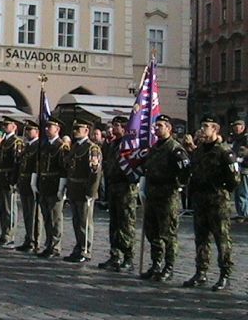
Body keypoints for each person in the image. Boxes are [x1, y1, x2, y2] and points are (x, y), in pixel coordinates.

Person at [183, 116, 240, 291]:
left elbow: (234, 179)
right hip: (201, 201)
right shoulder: (199, 150)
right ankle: (201, 272)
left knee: (221, 240)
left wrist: (220, 190)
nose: (203, 129)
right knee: (201, 239)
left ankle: (225, 274)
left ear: (215, 129)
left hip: (217, 203)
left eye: (207, 126)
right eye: (202, 126)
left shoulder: (224, 152)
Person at [139, 114, 191, 281]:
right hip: (153, 196)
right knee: (152, 232)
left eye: (160, 125)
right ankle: (156, 264)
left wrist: (178, 185)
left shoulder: (175, 148)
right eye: (156, 125)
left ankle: (169, 266)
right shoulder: (155, 148)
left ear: (169, 128)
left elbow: (185, 171)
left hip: (167, 197)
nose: (156, 128)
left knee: (167, 234)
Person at [98, 116, 138, 272]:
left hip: (126, 188)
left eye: (116, 126)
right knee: (114, 223)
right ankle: (115, 255)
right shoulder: (112, 144)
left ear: (124, 128)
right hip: (113, 186)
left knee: (126, 224)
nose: (112, 129)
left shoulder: (129, 145)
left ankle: (128, 257)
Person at [63, 119, 102, 263]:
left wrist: (91, 192)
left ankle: (86, 250)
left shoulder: (92, 148)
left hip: (84, 189)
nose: (75, 131)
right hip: (74, 189)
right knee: (76, 221)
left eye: (78, 129)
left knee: (85, 222)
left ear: (86, 131)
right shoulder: (75, 147)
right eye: (74, 129)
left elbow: (95, 172)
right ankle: (79, 246)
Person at [35, 117, 68, 258]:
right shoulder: (44, 145)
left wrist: (62, 189)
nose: (47, 129)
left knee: (55, 218)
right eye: (46, 127)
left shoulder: (62, 146)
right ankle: (48, 243)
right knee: (47, 217)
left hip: (55, 185)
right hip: (44, 185)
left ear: (58, 129)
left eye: (50, 127)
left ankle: (55, 246)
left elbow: (64, 169)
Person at [0, 118, 24, 248]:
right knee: (2, 208)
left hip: (9, 178)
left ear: (14, 126)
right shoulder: (5, 141)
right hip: (1, 177)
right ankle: (4, 233)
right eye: (3, 124)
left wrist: (14, 180)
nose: (4, 126)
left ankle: (10, 235)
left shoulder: (16, 142)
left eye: (7, 124)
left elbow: (17, 162)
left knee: (10, 209)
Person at [15, 120, 40, 253]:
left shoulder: (38, 146)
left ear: (36, 131)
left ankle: (34, 240)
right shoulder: (27, 146)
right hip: (24, 183)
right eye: (26, 130)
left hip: (32, 183)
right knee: (26, 213)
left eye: (30, 130)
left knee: (34, 214)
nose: (27, 133)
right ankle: (28, 238)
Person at [229, 119, 248, 219]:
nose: (236, 128)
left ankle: (244, 214)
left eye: (238, 126)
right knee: (238, 192)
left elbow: (244, 153)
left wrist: (241, 159)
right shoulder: (237, 139)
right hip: (237, 168)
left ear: (243, 127)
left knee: (242, 192)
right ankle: (241, 212)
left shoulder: (245, 139)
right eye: (234, 126)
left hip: (244, 168)